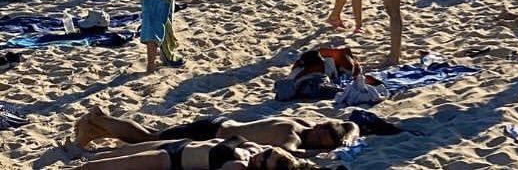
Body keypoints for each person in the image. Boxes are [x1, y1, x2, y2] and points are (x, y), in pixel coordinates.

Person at [75, 106, 359, 153]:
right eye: (325, 140)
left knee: (153, 134)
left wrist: (344, 139)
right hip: (210, 133)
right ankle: (100, 119)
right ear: (320, 128)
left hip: (217, 124)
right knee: (150, 137)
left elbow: (353, 125)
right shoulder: (292, 136)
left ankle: (96, 128)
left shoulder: (301, 122)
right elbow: (289, 154)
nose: (323, 144)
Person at [70, 137, 310, 169]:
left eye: (266, 160)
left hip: (170, 160)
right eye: (270, 152)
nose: (264, 154)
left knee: (105, 167)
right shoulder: (256, 149)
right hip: (180, 144)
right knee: (115, 153)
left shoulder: (239, 168)